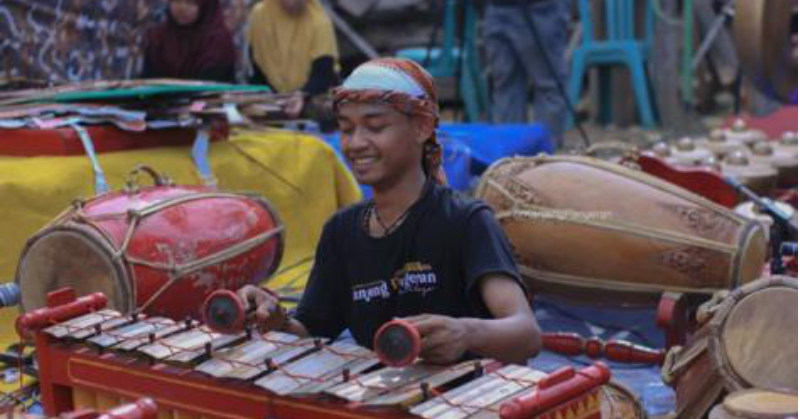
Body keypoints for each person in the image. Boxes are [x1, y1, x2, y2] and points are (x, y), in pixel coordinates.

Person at [238, 58, 541, 365]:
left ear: (421, 127)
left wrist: (466, 332)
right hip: (383, 399)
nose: (355, 143)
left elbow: (527, 334)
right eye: (346, 128)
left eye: (375, 126)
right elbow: (309, 331)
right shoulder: (341, 231)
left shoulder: (465, 221)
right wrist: (276, 318)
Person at [483, 0, 571, 148]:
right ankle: (512, 157)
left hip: (540, 9)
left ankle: (545, 158)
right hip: (498, 9)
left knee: (546, 85)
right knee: (507, 87)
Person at [246, 0, 340, 118]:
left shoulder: (319, 20)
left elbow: (323, 73)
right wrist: (273, 99)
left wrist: (300, 96)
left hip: (313, 93)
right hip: (274, 96)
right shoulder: (261, 15)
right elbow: (257, 67)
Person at [142, 0, 236, 83]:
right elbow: (148, 81)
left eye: (190, 2)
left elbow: (211, 86)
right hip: (158, 101)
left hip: (208, 101)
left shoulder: (217, 41)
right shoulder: (158, 37)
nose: (181, 8)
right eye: (176, 0)